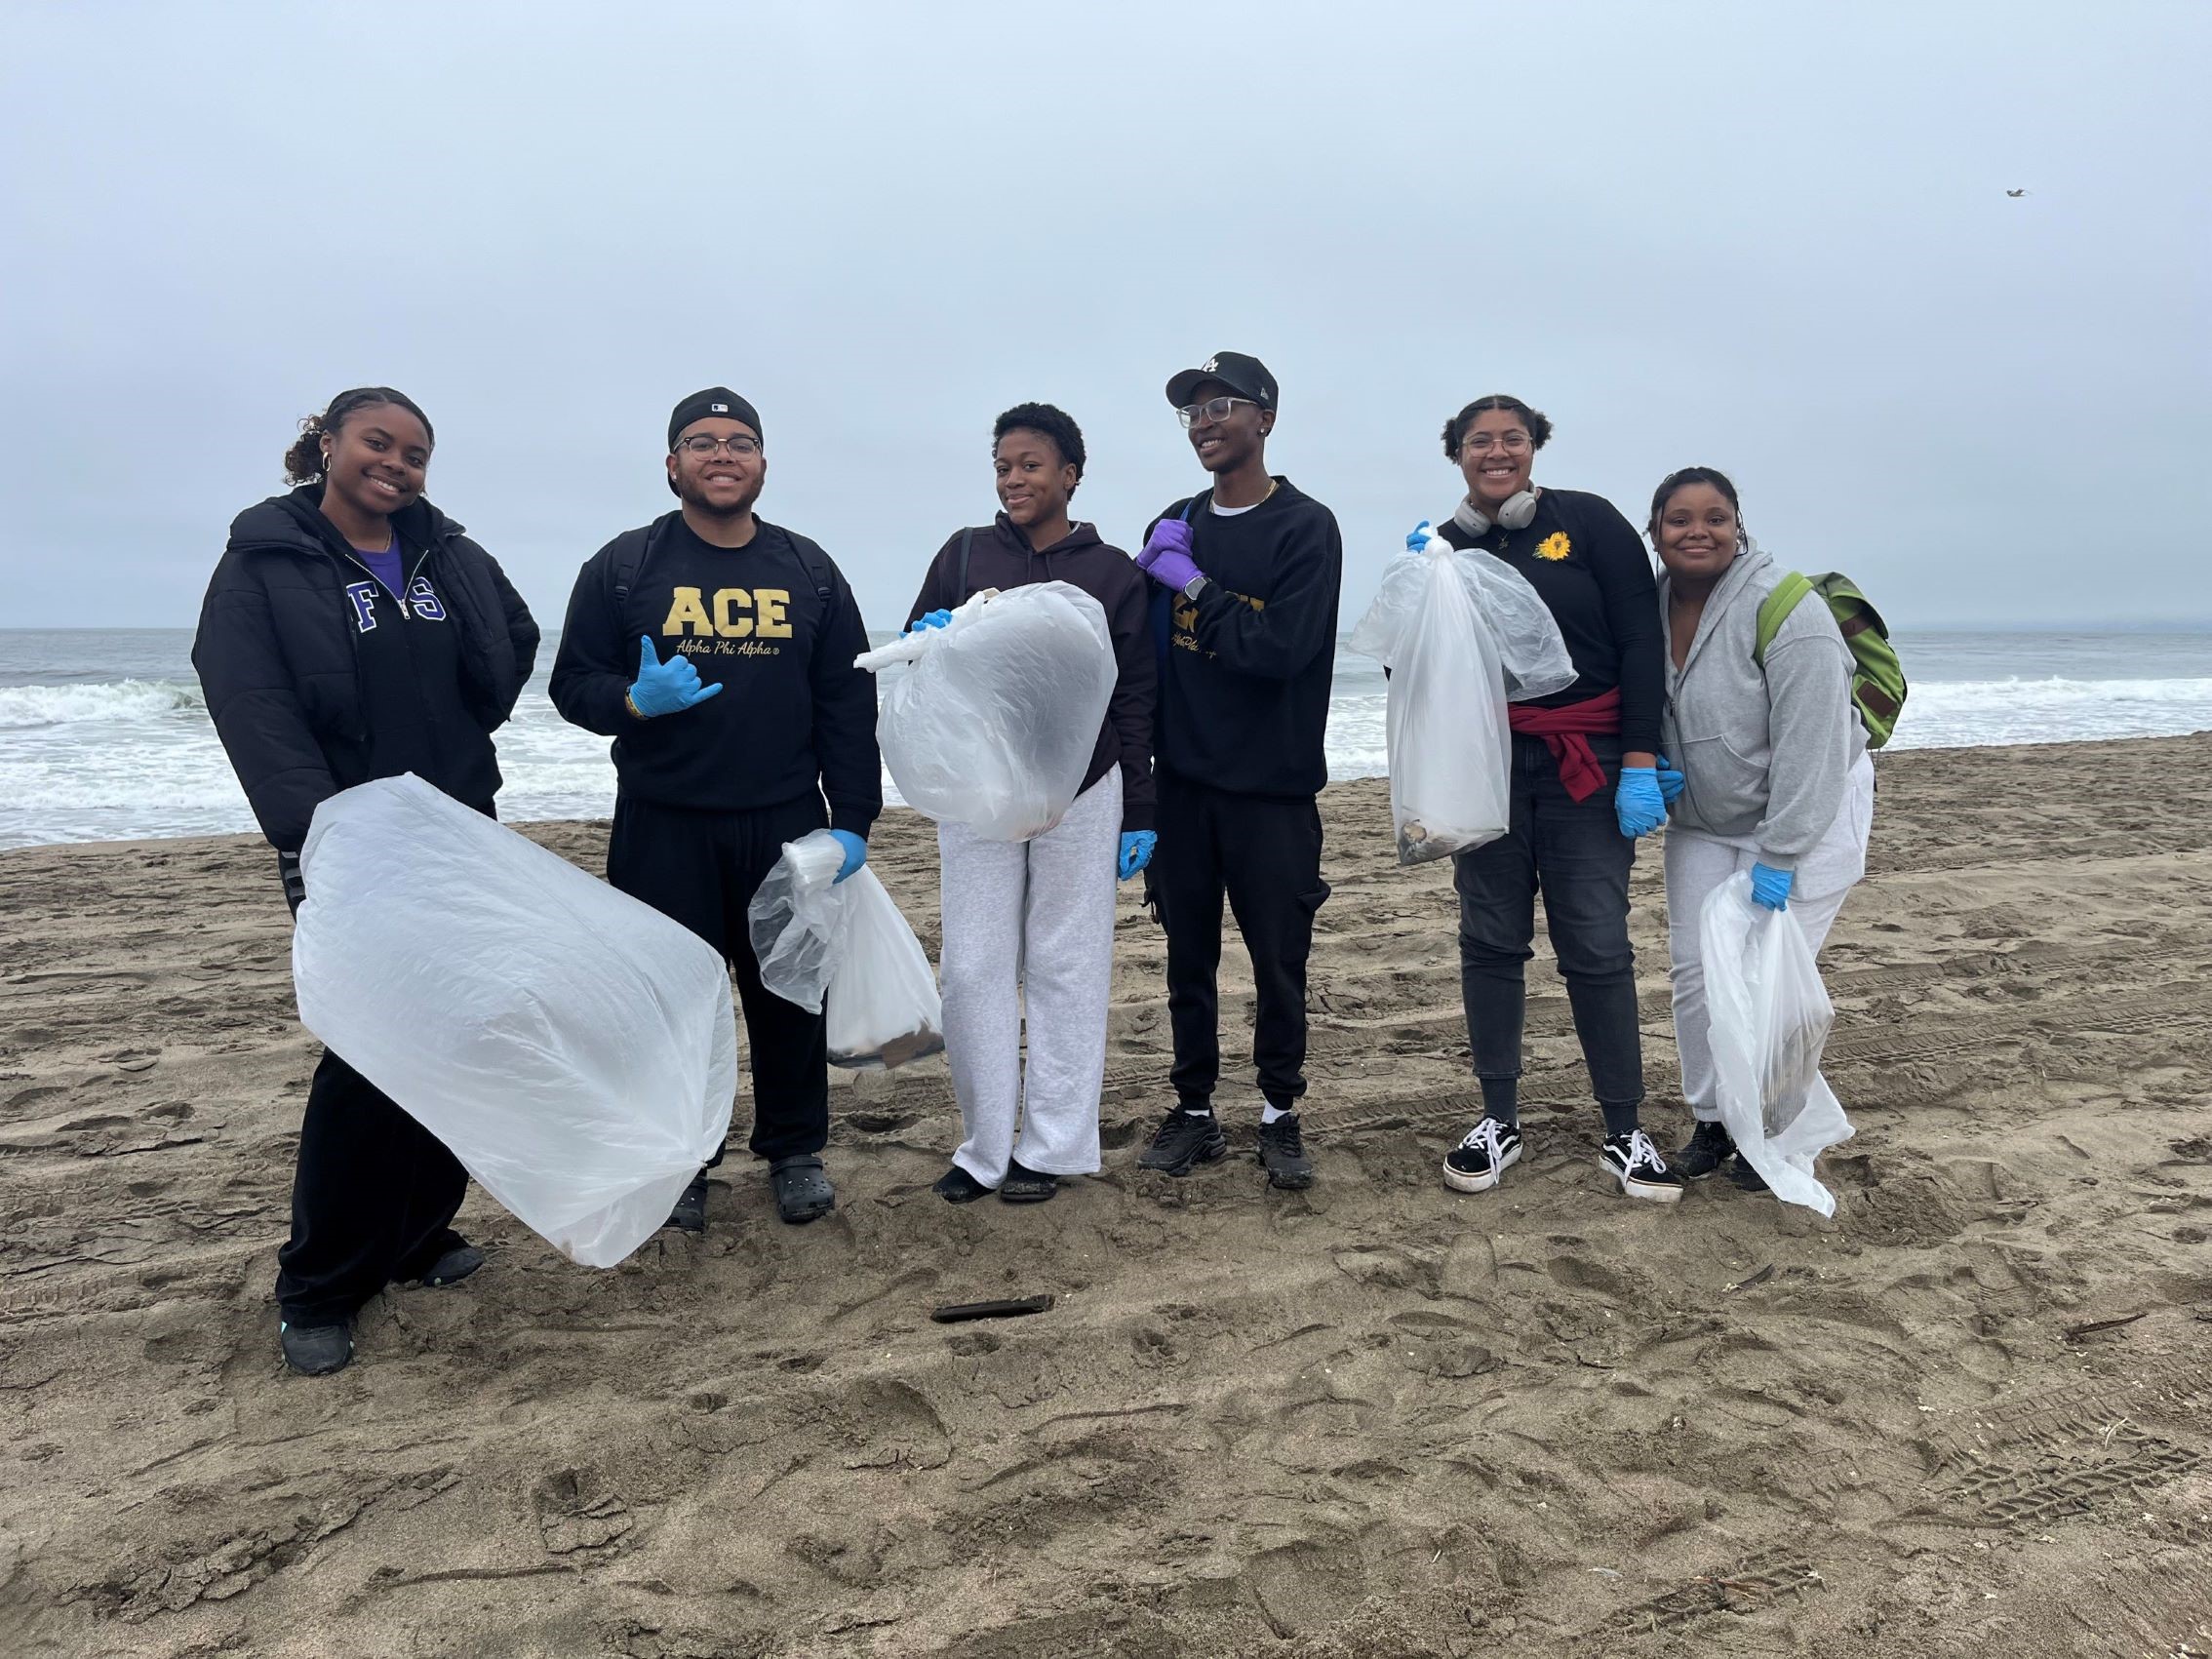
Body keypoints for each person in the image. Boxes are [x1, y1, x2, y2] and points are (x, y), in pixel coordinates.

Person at [194, 387, 540, 1376]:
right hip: (350, 845)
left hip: (459, 832)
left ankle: (419, 1234)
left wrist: (467, 735)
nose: (396, 464)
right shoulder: (266, 564)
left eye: (416, 452)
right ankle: (319, 1282)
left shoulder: (447, 552)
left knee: (455, 1035)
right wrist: (320, 830)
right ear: (329, 444)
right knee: (368, 1055)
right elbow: (250, 702)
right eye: (377, 444)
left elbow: (509, 642)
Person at [549, 389, 880, 1234]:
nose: (722, 454)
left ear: (764, 464)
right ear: (672, 465)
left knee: (789, 995)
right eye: (701, 441)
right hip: (664, 820)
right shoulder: (623, 566)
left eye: (740, 442)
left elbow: (845, 701)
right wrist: (633, 699)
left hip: (782, 820)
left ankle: (795, 1148)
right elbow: (570, 683)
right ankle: (684, 1155)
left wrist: (853, 820)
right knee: (670, 1002)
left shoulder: (809, 569)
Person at [1430, 395, 1682, 1204]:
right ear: (1457, 455)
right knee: (1490, 938)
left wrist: (1641, 758)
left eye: (1513, 438)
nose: (1497, 452)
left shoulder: (1593, 524)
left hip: (1592, 761)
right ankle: (1497, 1119)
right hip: (1489, 764)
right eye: (1480, 441)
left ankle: (1624, 1129)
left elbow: (1643, 639)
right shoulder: (1442, 548)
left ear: (1534, 448)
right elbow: (1420, 676)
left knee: (1597, 946)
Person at [903, 404, 1156, 1204]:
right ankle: (983, 1146)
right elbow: (915, 659)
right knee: (974, 967)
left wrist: (1141, 810)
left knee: (1066, 964)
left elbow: (1135, 694)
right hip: (982, 791)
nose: (1014, 479)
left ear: (1071, 474)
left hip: (1084, 789)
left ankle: (1051, 1146)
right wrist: (932, 636)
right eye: (1003, 466)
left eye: (1031, 465)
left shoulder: (1113, 572)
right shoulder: (965, 553)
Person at [1130, 352, 1342, 1192]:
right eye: (1192, 411)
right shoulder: (1173, 519)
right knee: (1189, 959)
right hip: (1184, 786)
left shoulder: (1306, 527)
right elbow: (1143, 659)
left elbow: (1279, 650)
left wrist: (1193, 582)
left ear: (1266, 418)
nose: (1205, 421)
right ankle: (1194, 1110)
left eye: (1223, 405)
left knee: (1278, 960)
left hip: (1274, 790)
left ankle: (1280, 1113)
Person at [1649, 466, 1874, 1189]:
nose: (1697, 530)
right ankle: (1714, 1119)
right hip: (1706, 820)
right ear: (1654, 532)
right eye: (1679, 518)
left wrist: (1782, 852)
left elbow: (1815, 744)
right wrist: (1657, 760)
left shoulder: (1785, 606)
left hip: (1804, 817)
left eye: (1715, 516)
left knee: (1770, 977)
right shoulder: (1647, 606)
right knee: (1695, 974)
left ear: (1738, 526)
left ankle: (1768, 1131)